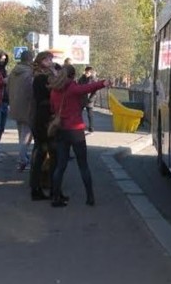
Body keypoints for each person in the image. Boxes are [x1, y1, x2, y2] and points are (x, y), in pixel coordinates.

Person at [49, 65, 110, 207]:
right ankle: (90, 197)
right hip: (75, 130)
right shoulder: (73, 88)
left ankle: (55, 197)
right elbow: (88, 88)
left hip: (61, 130)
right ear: (73, 75)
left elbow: (52, 108)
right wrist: (103, 83)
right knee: (83, 165)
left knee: (60, 166)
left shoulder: (54, 90)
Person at [29, 51, 57, 201]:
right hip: (44, 117)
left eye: (52, 58)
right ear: (41, 61)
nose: (51, 61)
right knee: (46, 153)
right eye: (48, 59)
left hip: (42, 116)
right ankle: (45, 187)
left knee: (43, 153)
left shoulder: (42, 76)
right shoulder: (40, 77)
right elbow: (54, 89)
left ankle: (39, 187)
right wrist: (54, 73)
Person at [7, 50, 35, 170]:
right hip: (27, 107)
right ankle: (22, 159)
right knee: (27, 136)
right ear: (30, 59)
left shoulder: (14, 71)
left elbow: (8, 88)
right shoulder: (29, 73)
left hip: (15, 106)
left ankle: (23, 158)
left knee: (21, 134)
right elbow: (31, 90)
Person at [77, 66, 96, 132]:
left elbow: (95, 90)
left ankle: (91, 127)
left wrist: (91, 98)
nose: (86, 73)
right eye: (86, 72)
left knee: (90, 113)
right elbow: (78, 87)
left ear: (91, 73)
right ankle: (78, 125)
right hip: (82, 98)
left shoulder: (93, 80)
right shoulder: (81, 79)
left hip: (89, 98)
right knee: (78, 112)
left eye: (88, 72)